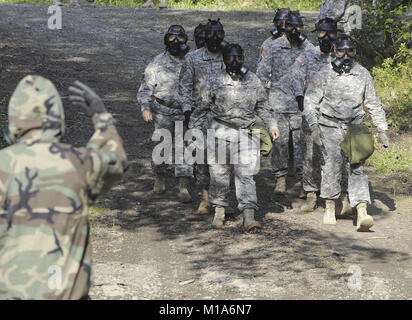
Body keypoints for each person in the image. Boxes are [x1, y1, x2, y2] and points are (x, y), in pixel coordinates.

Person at [0, 75, 127, 299]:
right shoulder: (76, 163)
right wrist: (101, 116)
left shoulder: (4, 165)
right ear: (57, 116)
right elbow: (115, 158)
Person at [303, 35, 389, 231]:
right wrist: (314, 126)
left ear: (354, 52)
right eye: (342, 51)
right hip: (329, 126)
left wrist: (382, 129)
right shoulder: (323, 73)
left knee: (357, 168)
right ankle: (330, 206)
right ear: (335, 50)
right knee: (331, 167)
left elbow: (373, 103)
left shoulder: (363, 74)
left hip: (354, 127)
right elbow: (310, 101)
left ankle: (362, 211)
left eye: (350, 51)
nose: (346, 55)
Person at [201, 44, 280, 230]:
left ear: (243, 58)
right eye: (230, 58)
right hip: (220, 132)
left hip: (246, 132)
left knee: (246, 175)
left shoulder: (253, 80)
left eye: (238, 58)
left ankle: (249, 216)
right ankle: (219, 210)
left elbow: (263, 106)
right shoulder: (213, 80)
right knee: (219, 174)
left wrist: (272, 126)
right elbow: (202, 108)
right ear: (224, 60)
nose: (235, 62)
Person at [286, 18, 349, 213]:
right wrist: (300, 99)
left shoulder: (340, 56)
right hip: (311, 112)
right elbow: (294, 77)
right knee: (310, 156)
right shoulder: (307, 55)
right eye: (323, 33)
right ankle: (311, 195)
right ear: (316, 33)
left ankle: (342, 197)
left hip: (335, 115)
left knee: (340, 156)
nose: (327, 37)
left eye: (331, 33)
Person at [256, 11, 315, 195]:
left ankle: (302, 182)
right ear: (284, 27)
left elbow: (318, 70)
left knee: (301, 146)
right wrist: (260, 102)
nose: (295, 30)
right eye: (291, 26)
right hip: (278, 104)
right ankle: (280, 179)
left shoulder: (308, 48)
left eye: (298, 26)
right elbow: (261, 75)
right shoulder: (272, 47)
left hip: (301, 105)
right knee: (279, 144)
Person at [137, 25, 193, 203]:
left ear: (186, 40)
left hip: (185, 113)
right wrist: (145, 107)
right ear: (165, 40)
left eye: (180, 38)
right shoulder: (157, 63)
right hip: (162, 112)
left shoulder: (190, 61)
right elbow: (145, 88)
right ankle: (160, 177)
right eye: (171, 38)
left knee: (185, 149)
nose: (176, 42)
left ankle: (183, 186)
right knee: (162, 148)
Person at [178, 19, 228, 214]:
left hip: (224, 117)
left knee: (223, 160)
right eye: (210, 34)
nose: (214, 39)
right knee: (201, 161)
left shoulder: (228, 55)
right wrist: (187, 112)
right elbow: (184, 87)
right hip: (199, 116)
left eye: (218, 34)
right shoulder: (192, 58)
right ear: (203, 37)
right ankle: (205, 198)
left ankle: (222, 199)